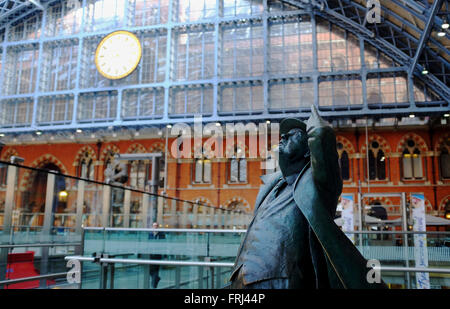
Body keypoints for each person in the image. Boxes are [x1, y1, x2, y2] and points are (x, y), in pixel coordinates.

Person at [227, 105, 386, 289]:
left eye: (293, 134)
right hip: (241, 278)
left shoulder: (317, 185)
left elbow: (322, 146)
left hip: (281, 280)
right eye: (283, 135)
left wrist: (319, 129)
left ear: (307, 150)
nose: (283, 136)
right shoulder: (270, 186)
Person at [148, 222, 165, 288]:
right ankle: (156, 278)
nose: (155, 227)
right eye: (154, 226)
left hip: (158, 254)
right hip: (151, 254)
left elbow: (163, 244)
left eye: (156, 226)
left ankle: (154, 285)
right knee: (150, 270)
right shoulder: (150, 234)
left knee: (155, 269)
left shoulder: (161, 234)